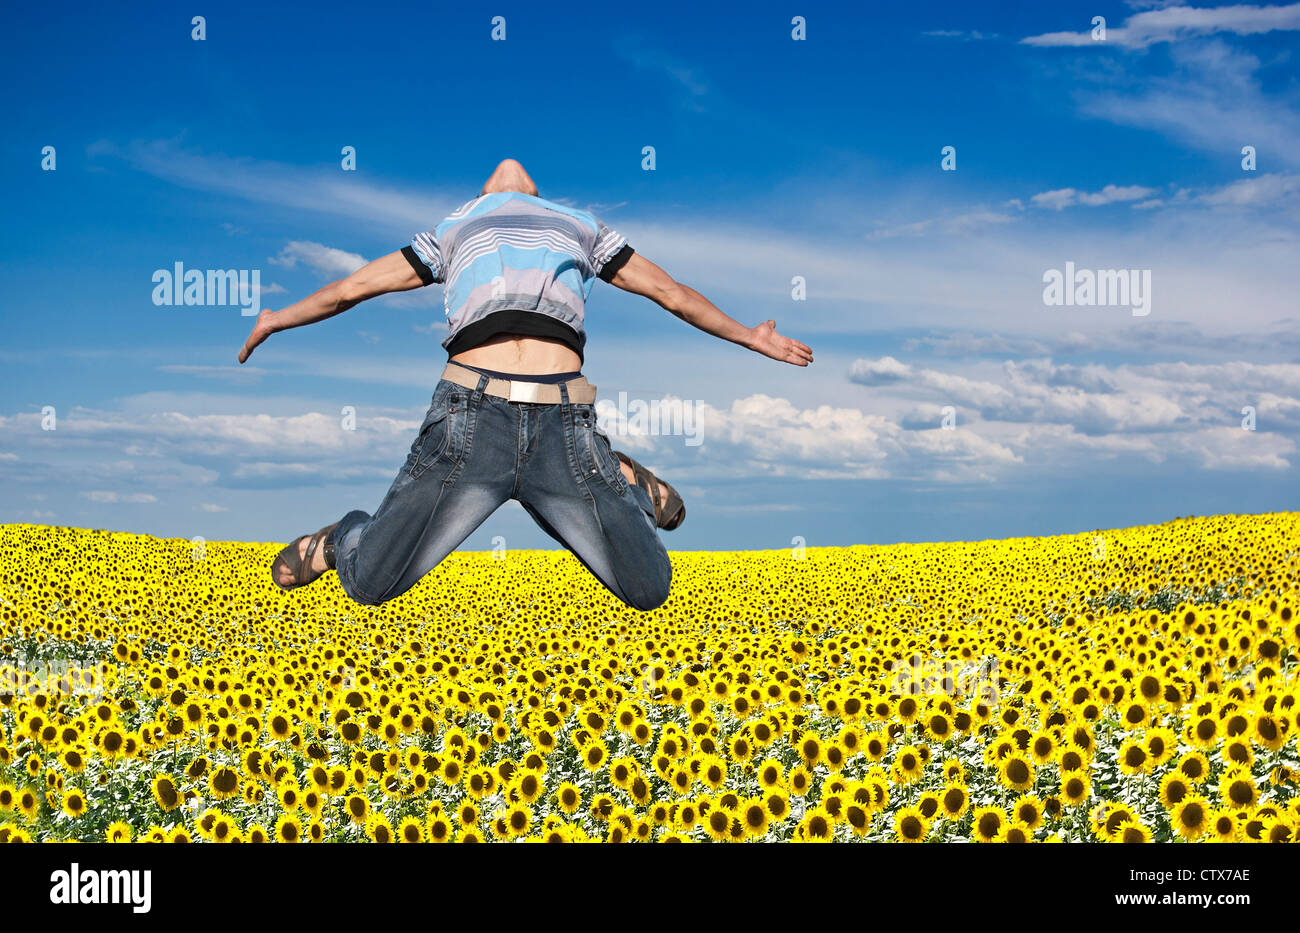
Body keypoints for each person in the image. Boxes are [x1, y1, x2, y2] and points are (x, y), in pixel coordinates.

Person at [237, 159, 813, 611]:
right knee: (369, 584)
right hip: (468, 421)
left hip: (564, 428)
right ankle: (344, 538)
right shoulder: (453, 228)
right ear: (486, 196)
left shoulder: (583, 227)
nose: (509, 166)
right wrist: (276, 317)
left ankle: (628, 481)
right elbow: (349, 288)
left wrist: (748, 336)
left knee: (649, 588)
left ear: (538, 198)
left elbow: (671, 292)